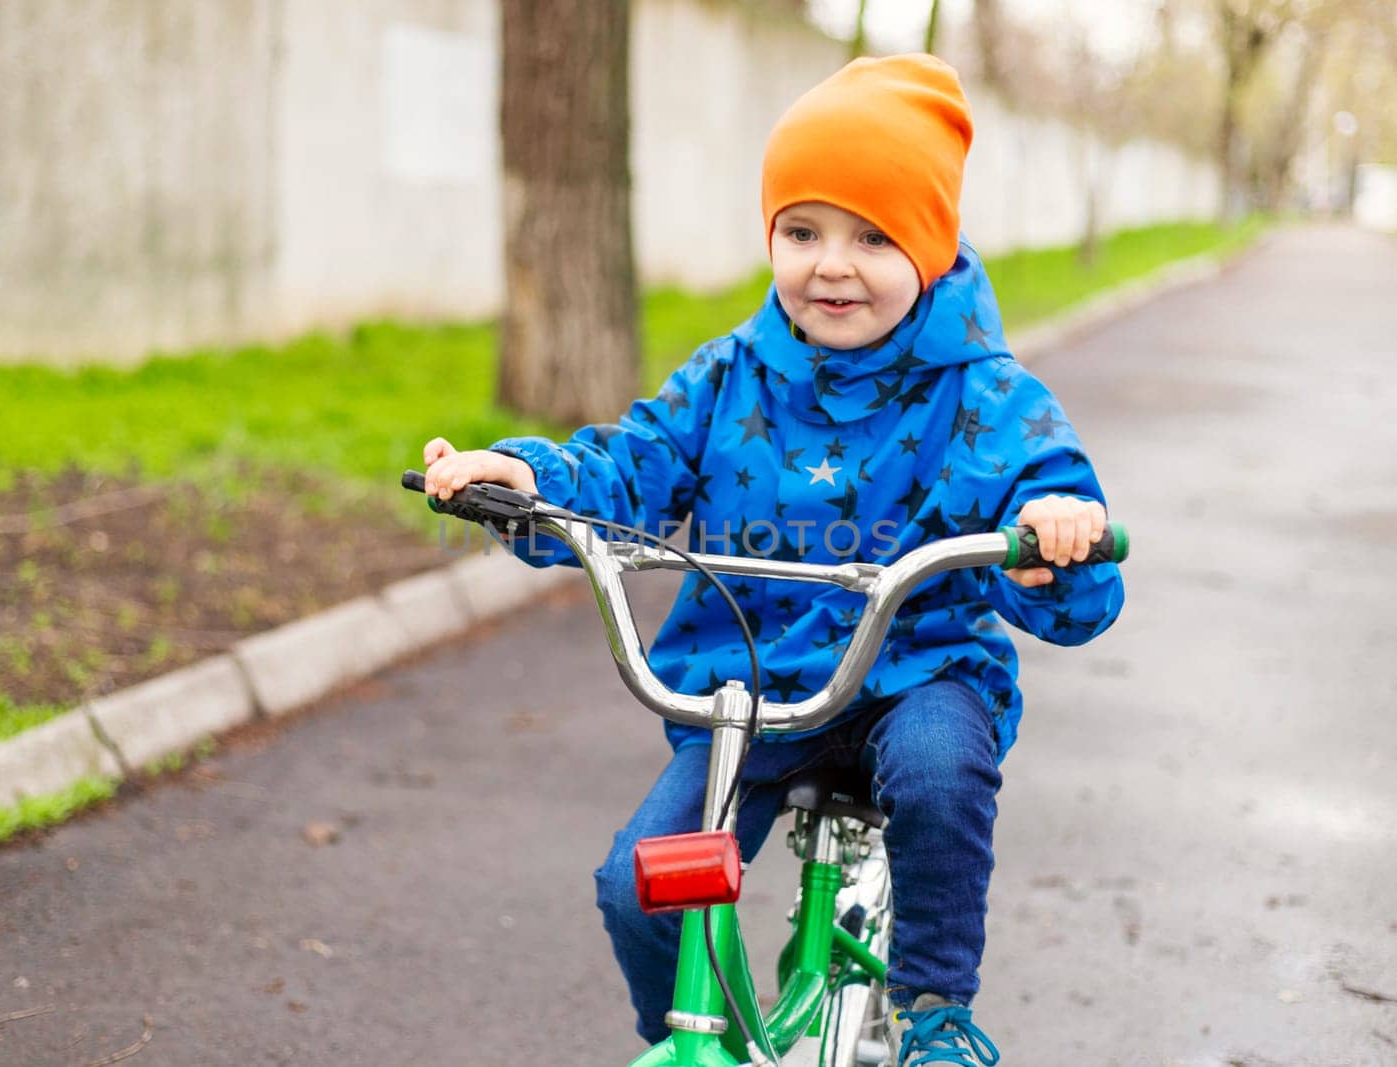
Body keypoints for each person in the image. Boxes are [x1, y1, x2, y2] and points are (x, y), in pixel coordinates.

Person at [422, 54, 1124, 1067]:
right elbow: (630, 465)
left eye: (873, 236)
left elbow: (1065, 536)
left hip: (915, 668)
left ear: (928, 248)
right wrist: (528, 483)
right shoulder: (730, 376)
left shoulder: (984, 396)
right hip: (750, 684)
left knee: (937, 773)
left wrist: (1055, 536)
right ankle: (690, 1029)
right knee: (637, 883)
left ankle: (934, 1004)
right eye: (802, 232)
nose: (830, 266)